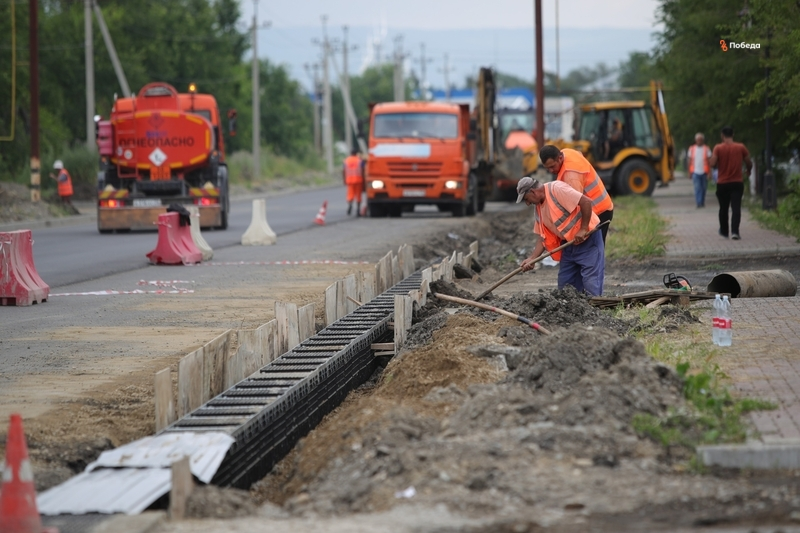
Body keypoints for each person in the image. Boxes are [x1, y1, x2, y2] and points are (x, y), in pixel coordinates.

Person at [517, 176, 604, 296]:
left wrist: (583, 229)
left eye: (526, 199)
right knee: (565, 287)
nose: (527, 203)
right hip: (568, 244)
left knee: (591, 282)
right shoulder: (538, 209)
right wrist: (532, 258)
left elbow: (586, 202)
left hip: (588, 239)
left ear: (533, 192)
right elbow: (542, 236)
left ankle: (595, 305)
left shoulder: (557, 189)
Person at [539, 145, 613, 244]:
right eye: (547, 168)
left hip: (599, 212)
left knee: (593, 249)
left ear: (560, 158)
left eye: (552, 166)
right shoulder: (567, 152)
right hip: (601, 205)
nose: (551, 171)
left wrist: (582, 229)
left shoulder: (571, 177)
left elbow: (578, 206)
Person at [709, 126, 752, 240]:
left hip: (722, 183)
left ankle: (724, 231)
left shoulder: (718, 148)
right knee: (736, 207)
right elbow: (748, 161)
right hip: (737, 182)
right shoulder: (740, 147)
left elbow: (712, 163)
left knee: (723, 208)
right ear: (733, 135)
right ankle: (735, 232)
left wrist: (713, 161)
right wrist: (748, 170)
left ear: (722, 136)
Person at [688, 133, 712, 208]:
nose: (699, 141)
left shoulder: (707, 149)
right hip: (695, 172)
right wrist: (689, 172)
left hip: (704, 172)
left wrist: (710, 173)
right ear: (695, 140)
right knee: (697, 188)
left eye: (700, 140)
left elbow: (709, 161)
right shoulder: (692, 149)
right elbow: (689, 161)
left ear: (703, 140)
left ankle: (702, 201)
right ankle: (699, 203)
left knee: (704, 188)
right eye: (698, 140)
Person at [342, 149, 364, 216]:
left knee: (350, 194)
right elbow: (363, 170)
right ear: (356, 153)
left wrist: (344, 179)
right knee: (358, 195)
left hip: (349, 180)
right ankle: (358, 210)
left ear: (350, 153)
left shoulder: (346, 160)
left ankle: (350, 205)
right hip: (358, 180)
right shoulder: (360, 160)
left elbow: (343, 171)